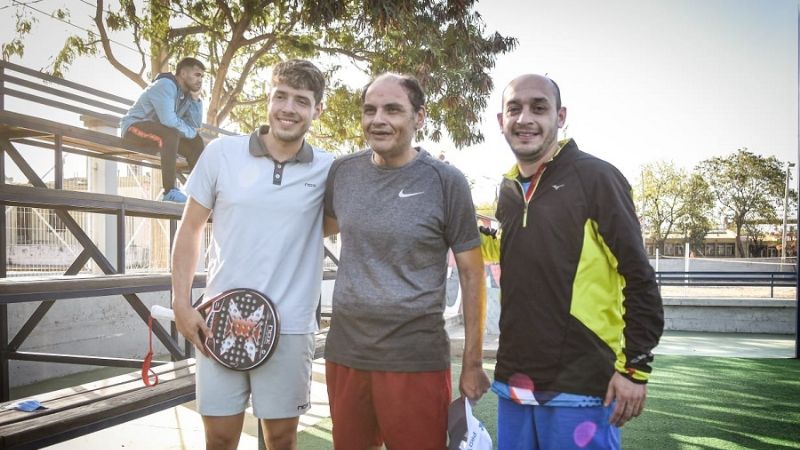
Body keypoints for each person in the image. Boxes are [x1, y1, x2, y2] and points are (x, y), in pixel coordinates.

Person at [481, 74, 664, 449]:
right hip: (515, 383)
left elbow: (640, 278)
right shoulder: (509, 189)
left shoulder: (596, 177)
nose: (525, 118)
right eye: (514, 109)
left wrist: (635, 370)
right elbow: (508, 247)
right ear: (501, 120)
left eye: (539, 107)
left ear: (560, 116)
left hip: (582, 386)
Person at [322, 73, 491, 450]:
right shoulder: (343, 173)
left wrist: (473, 362)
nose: (378, 119)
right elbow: (310, 230)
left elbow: (472, 274)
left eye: (393, 109)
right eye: (370, 110)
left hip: (415, 358)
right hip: (346, 352)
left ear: (420, 118)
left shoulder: (446, 181)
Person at [170, 59, 332, 450]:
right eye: (280, 96)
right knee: (221, 439)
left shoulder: (329, 168)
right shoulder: (222, 153)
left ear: (317, 110)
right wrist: (181, 303)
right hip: (220, 321)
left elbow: (342, 219)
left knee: (280, 439)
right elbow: (190, 229)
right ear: (268, 99)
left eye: (301, 100)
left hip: (290, 327)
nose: (288, 108)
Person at [121, 57, 207, 202]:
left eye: (202, 77)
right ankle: (169, 191)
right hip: (134, 129)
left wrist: (195, 100)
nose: (200, 80)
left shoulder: (185, 95)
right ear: (184, 73)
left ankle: (197, 194)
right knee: (171, 133)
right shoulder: (166, 85)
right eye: (197, 75)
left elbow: (194, 124)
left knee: (196, 142)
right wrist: (192, 131)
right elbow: (169, 120)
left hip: (161, 137)